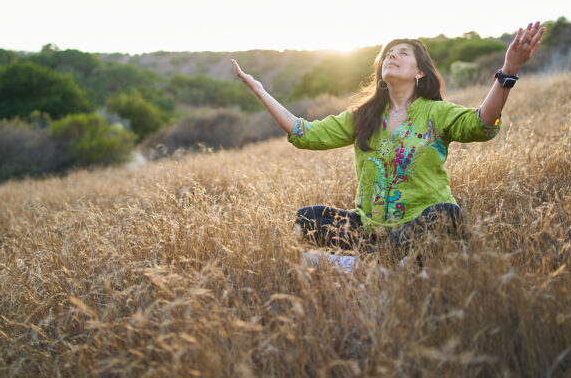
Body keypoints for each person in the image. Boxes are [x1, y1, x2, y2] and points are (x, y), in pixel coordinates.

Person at [232, 22, 544, 256]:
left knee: (447, 216)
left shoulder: (436, 113)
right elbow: (304, 132)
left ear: (419, 72)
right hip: (371, 231)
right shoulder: (363, 117)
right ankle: (378, 258)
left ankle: (364, 263)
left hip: (422, 227)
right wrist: (260, 90)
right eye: (387, 55)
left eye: (402, 54)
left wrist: (509, 69)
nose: (391, 57)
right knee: (308, 218)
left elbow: (481, 124)